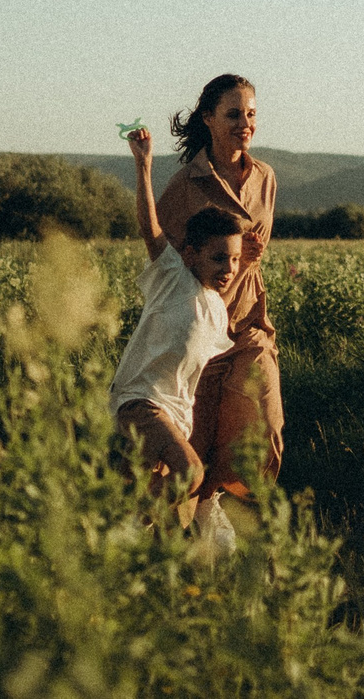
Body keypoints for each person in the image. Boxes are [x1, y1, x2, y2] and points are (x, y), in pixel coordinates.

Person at [153, 73, 281, 504]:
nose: (244, 123)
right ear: (208, 118)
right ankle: (184, 534)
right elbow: (166, 266)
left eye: (250, 114)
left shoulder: (265, 177)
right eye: (233, 114)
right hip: (200, 335)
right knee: (197, 443)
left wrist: (250, 257)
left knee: (262, 433)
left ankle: (228, 513)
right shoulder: (184, 188)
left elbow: (253, 259)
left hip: (248, 328)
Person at [108, 123, 244, 521]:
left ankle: (113, 527)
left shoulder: (217, 309)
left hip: (174, 417)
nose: (229, 268)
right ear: (188, 253)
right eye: (219, 258)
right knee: (191, 474)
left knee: (159, 509)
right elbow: (150, 229)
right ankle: (125, 518)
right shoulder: (173, 277)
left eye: (234, 260)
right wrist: (144, 165)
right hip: (139, 403)